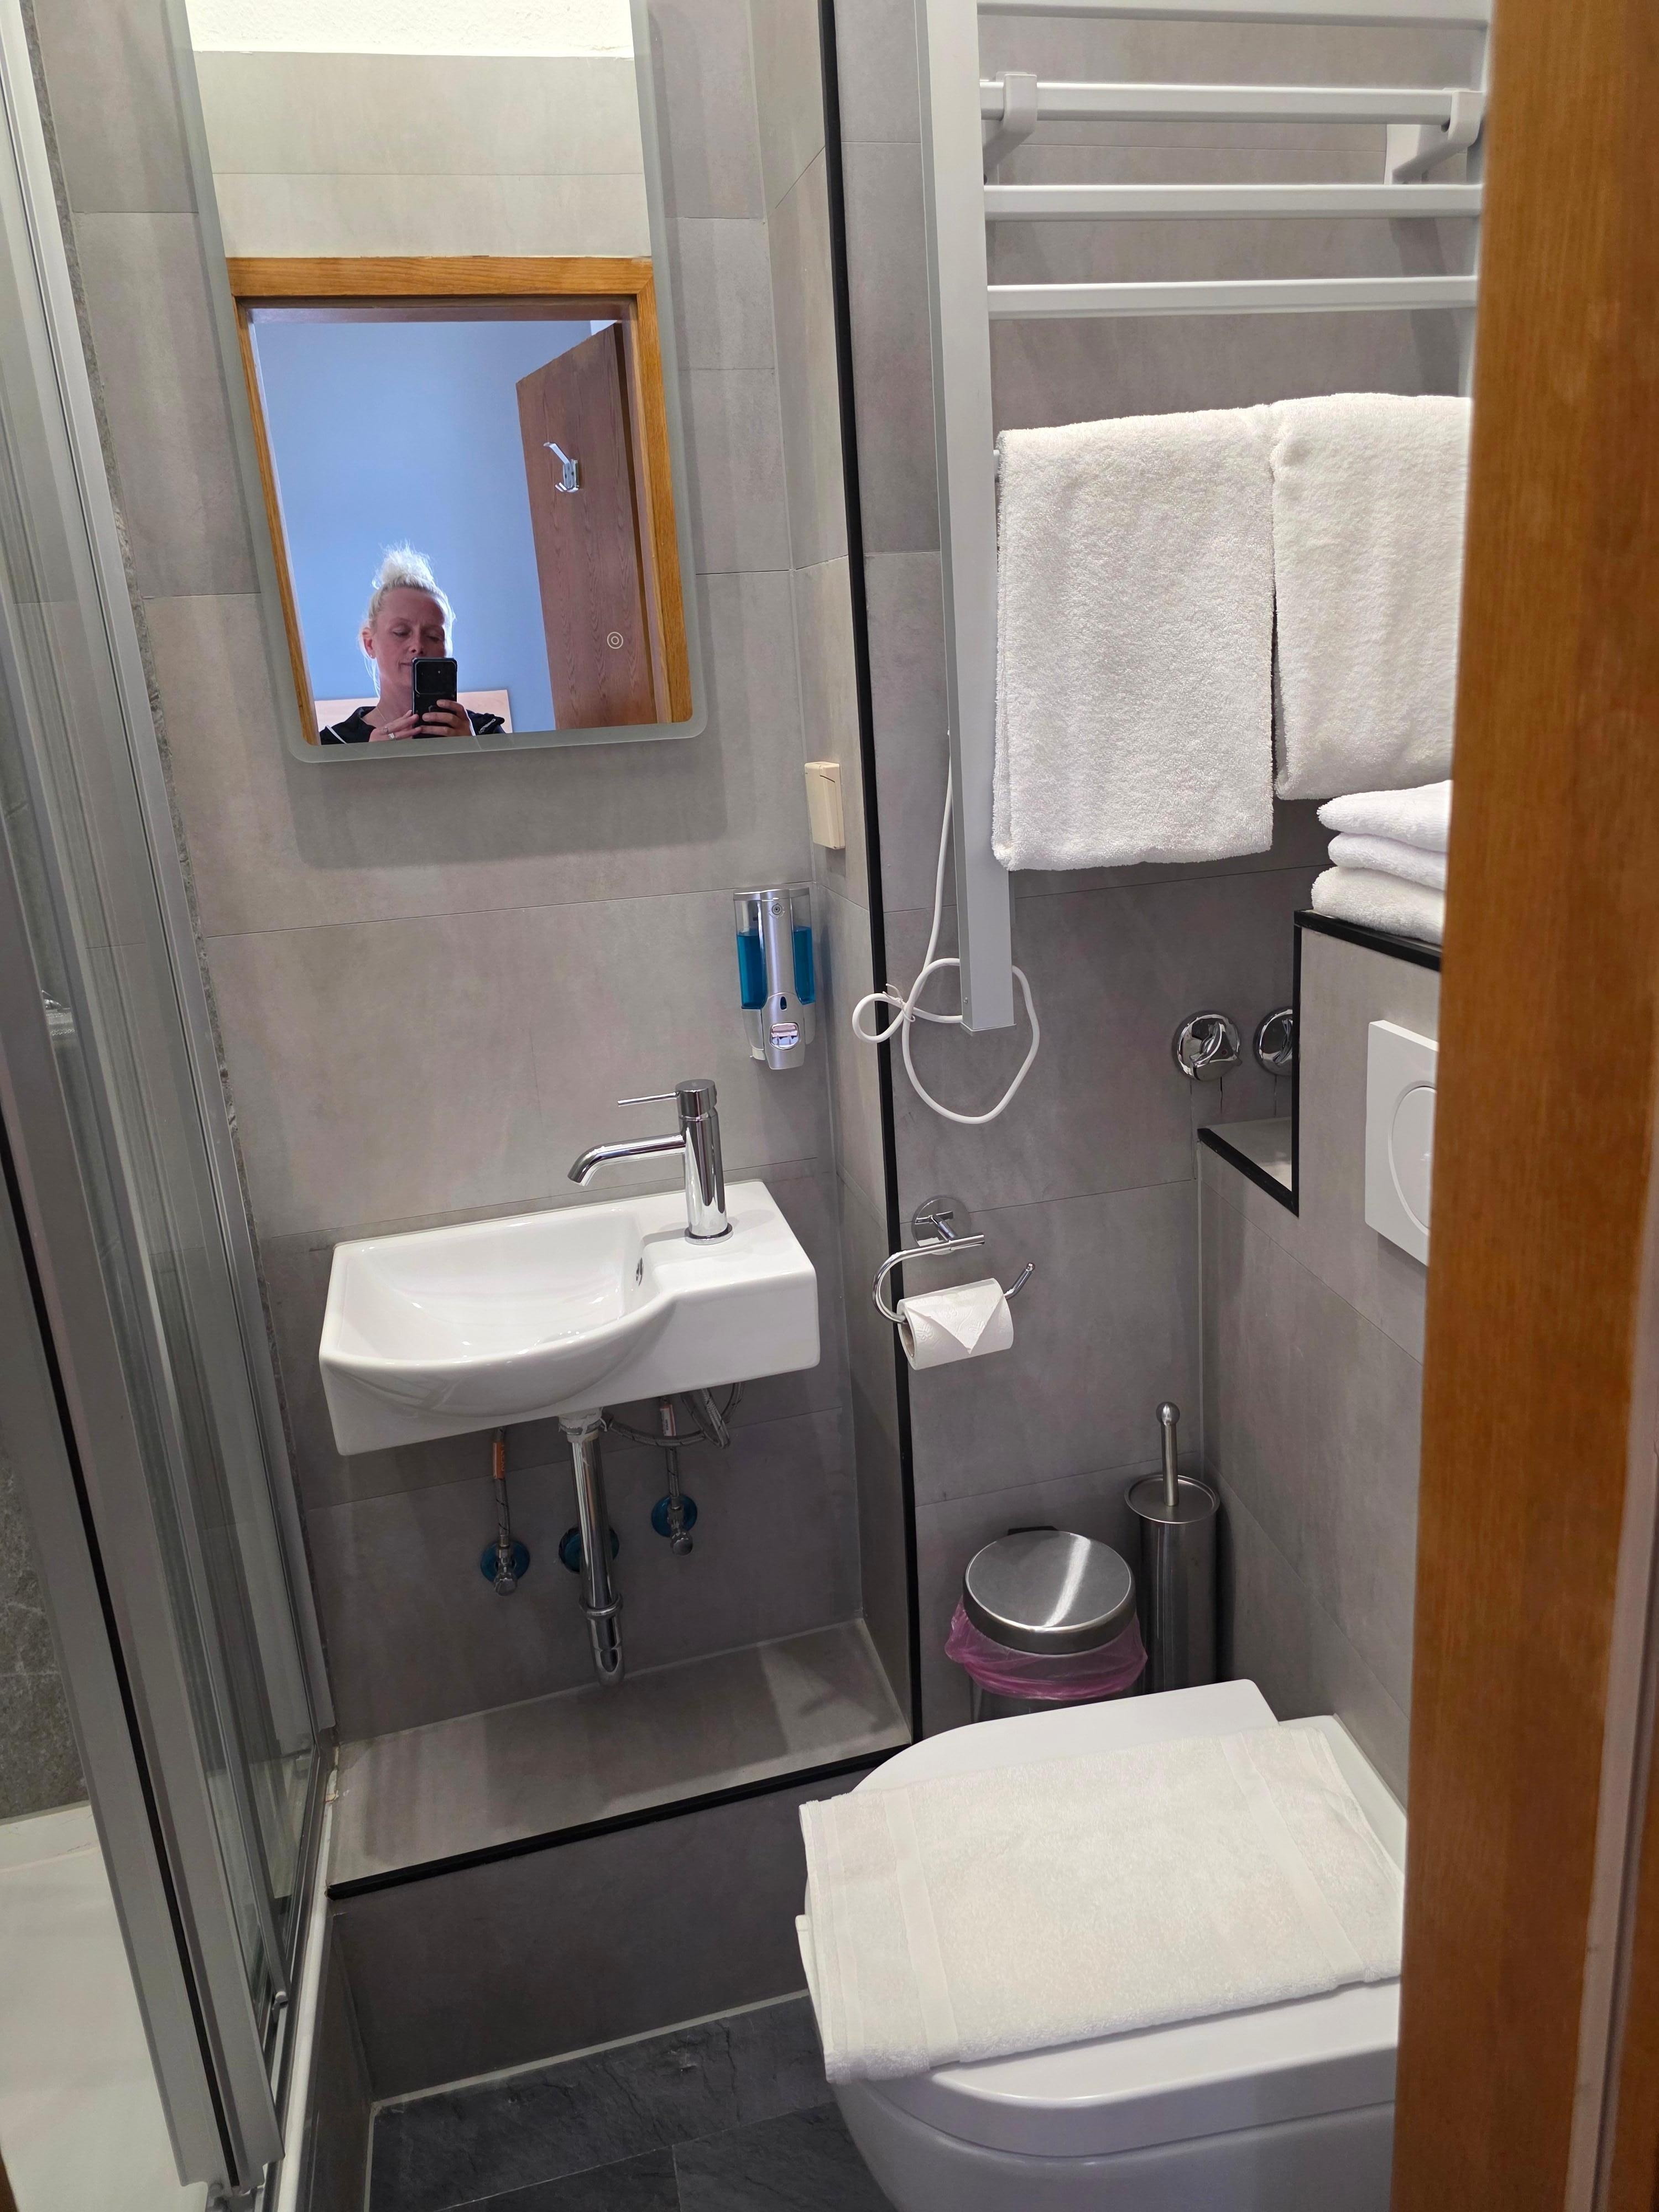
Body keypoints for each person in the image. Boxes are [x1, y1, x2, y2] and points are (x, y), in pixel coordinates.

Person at [319, 547, 505, 743]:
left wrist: (473, 753)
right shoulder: (333, 745)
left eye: (433, 637)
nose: (418, 646)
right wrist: (369, 760)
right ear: (370, 644)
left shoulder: (486, 732)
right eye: (401, 632)